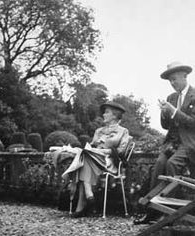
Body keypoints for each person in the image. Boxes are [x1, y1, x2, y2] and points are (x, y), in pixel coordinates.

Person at [134, 61, 195, 224]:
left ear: (185, 76)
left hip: (189, 143)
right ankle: (153, 211)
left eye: (175, 79)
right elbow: (165, 126)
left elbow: (193, 122)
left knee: (172, 164)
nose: (172, 83)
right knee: (159, 166)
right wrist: (164, 113)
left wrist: (174, 111)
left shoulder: (194, 96)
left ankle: (171, 213)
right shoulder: (171, 98)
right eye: (170, 81)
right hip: (172, 143)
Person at [61, 101, 131, 218]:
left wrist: (103, 151)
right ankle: (89, 198)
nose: (103, 114)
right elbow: (92, 146)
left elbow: (121, 151)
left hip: (109, 162)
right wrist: (93, 150)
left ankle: (83, 204)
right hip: (93, 160)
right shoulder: (98, 131)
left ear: (114, 115)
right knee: (86, 158)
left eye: (106, 112)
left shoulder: (123, 131)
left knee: (84, 161)